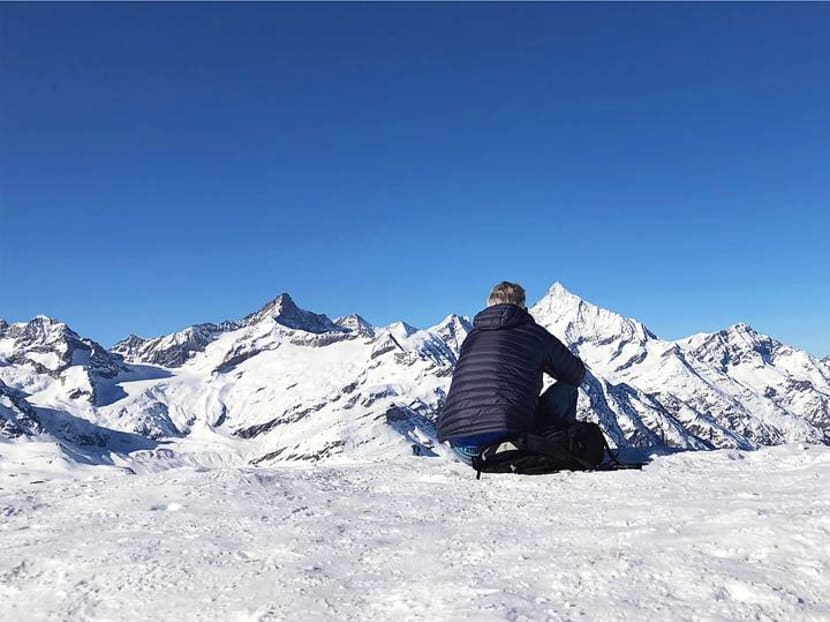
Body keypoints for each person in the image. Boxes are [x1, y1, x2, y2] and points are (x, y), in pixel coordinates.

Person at [437, 281, 586, 466]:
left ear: (489, 305)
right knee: (567, 390)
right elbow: (575, 374)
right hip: (511, 442)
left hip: (463, 449)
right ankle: (554, 446)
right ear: (523, 306)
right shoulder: (534, 334)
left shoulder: (472, 337)